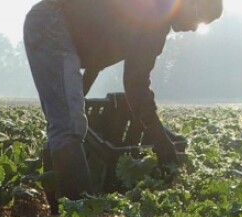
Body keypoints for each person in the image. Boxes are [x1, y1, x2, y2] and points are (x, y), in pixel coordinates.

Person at [24, 0, 223, 205]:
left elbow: (96, 59)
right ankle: (78, 216)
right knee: (68, 124)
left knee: (67, 121)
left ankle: (60, 205)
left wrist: (78, 96)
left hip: (54, 24)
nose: (193, 28)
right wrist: (160, 140)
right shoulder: (154, 15)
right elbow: (136, 85)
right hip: (52, 22)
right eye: (199, 18)